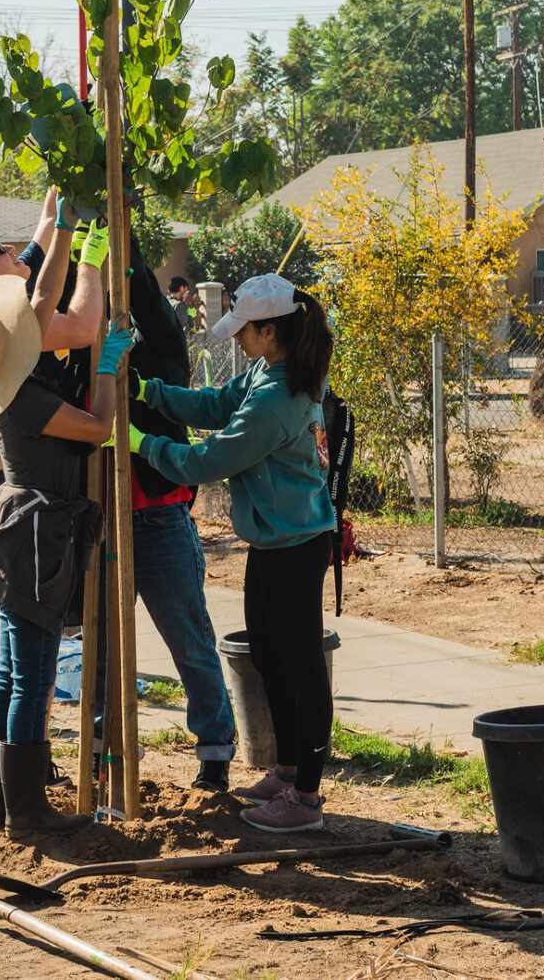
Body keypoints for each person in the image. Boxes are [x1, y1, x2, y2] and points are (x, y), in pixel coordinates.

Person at [127, 273, 337, 834]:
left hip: (296, 545)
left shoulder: (278, 396)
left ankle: (306, 797)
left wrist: (141, 443)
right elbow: (216, 403)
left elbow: (207, 461)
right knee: (269, 655)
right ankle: (288, 770)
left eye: (244, 331)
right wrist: (149, 392)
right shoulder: (267, 373)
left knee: (301, 668)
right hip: (274, 540)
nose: (237, 341)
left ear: (270, 330)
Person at [0, 212, 131, 837]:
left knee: (10, 673)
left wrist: (62, 229)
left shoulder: (8, 382)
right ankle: (27, 812)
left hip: (16, 533)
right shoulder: (29, 398)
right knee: (32, 678)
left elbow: (45, 294)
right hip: (35, 536)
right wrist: (106, 368)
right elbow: (99, 429)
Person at [86, 236, 239, 792]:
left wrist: (124, 256)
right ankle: (100, 747)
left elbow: (153, 311)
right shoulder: (85, 359)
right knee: (100, 647)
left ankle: (215, 751)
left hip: (160, 520)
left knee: (188, 638)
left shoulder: (160, 358)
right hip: (101, 519)